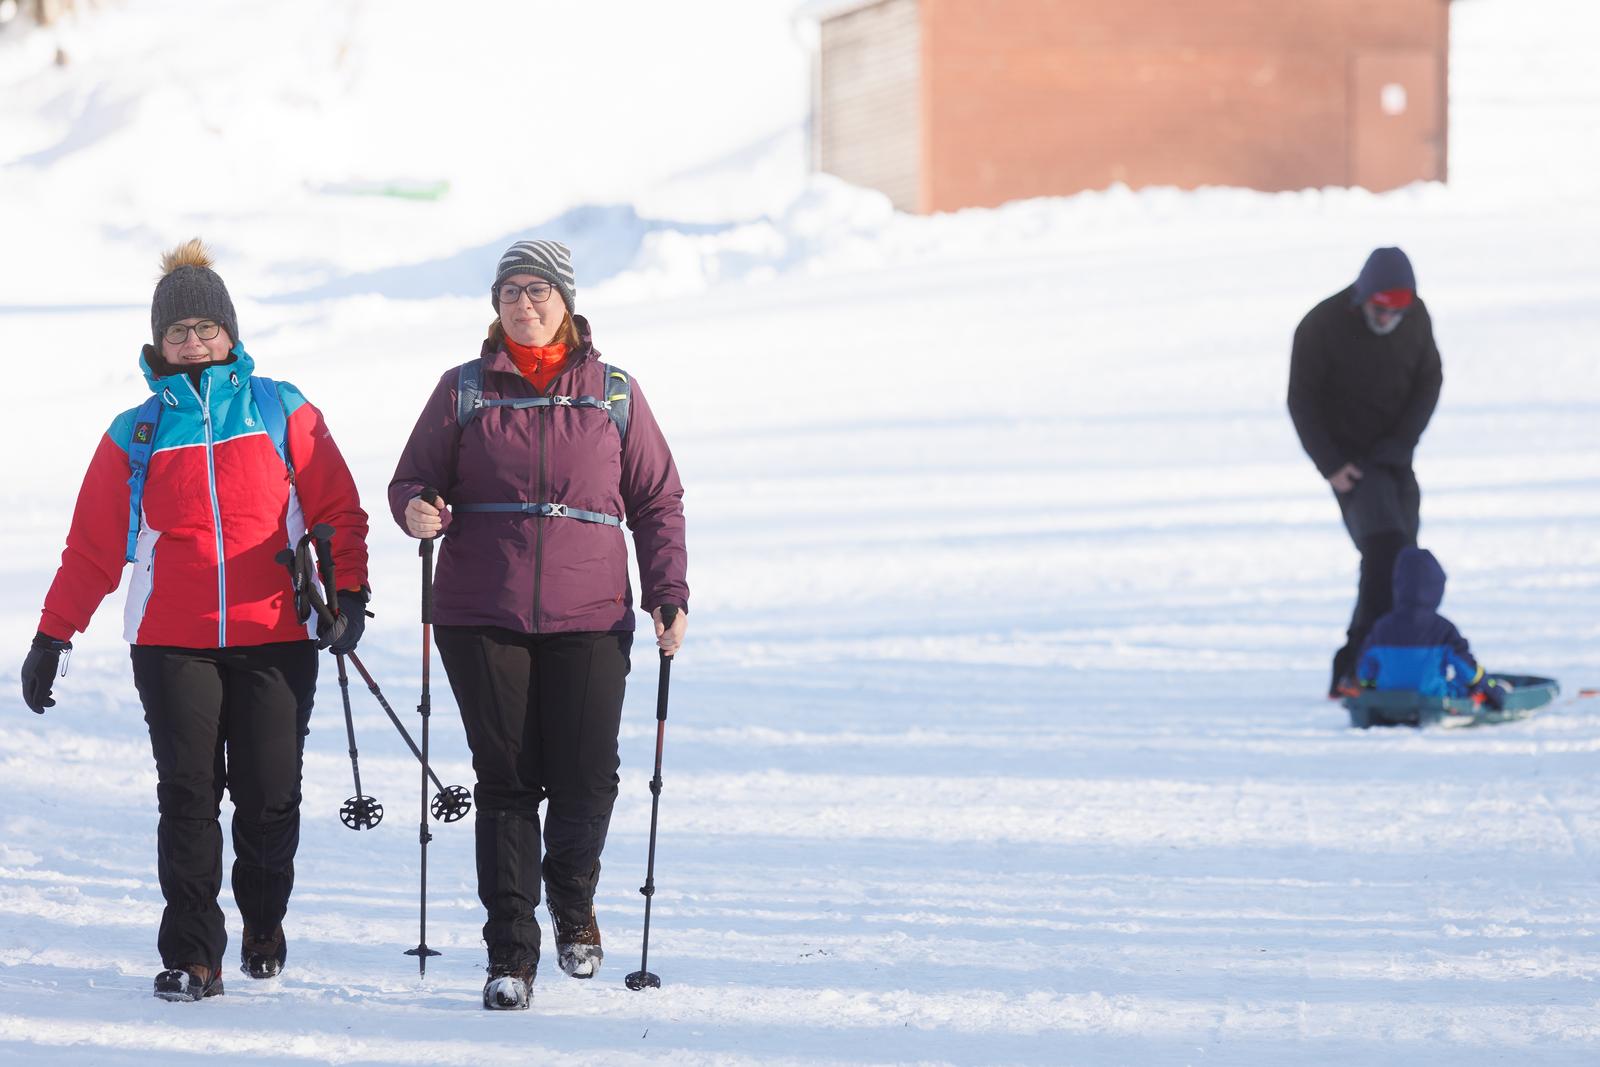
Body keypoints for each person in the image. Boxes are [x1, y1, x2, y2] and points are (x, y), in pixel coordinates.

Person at [19, 239, 370, 1002]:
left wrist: (349, 596)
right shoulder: (135, 433)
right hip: (171, 642)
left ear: (230, 333)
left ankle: (264, 921)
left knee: (269, 794)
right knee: (187, 793)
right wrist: (54, 633)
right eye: (178, 332)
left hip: (276, 631)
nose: (192, 341)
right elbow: (91, 547)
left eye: (205, 328)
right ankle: (192, 955)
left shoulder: (281, 408)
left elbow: (338, 512)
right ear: (158, 344)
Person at [388, 239, 689, 1011]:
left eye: (537, 291)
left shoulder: (614, 391)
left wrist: (667, 590)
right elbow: (410, 479)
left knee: (588, 777)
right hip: (481, 613)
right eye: (510, 291)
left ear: (567, 300)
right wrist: (417, 507)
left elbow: (657, 500)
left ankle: (572, 898)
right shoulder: (463, 389)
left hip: (592, 613)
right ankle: (510, 953)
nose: (523, 304)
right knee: (509, 782)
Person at [1288, 246, 1442, 696]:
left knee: (1406, 562)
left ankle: (1391, 665)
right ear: (1363, 297)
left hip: (1395, 458)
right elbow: (1301, 400)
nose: (1390, 319)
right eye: (1381, 310)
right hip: (1352, 466)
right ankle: (1354, 669)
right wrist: (1331, 465)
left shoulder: (1417, 317)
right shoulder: (1321, 326)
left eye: (1399, 311)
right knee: (1384, 556)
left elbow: (1430, 379)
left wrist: (1402, 443)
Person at [1355, 547, 1505, 708]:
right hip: (1432, 700)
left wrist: (1371, 687)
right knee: (1460, 689)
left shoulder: (1382, 627)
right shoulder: (1443, 629)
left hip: (1389, 700)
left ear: (1398, 586)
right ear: (1436, 588)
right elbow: (1466, 669)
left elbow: (1365, 669)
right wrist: (1485, 684)